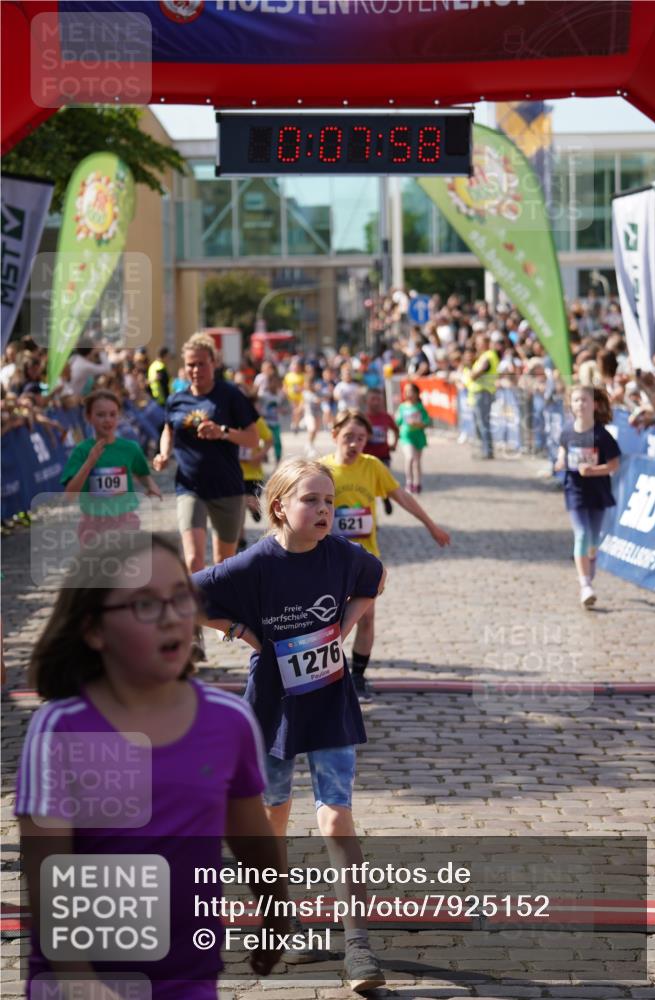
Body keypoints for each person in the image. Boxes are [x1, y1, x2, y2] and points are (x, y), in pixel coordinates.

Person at [16, 532, 289, 1000]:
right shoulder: (61, 729)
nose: (170, 617)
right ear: (94, 630)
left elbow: (250, 837)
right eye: (144, 604)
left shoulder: (228, 720)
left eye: (181, 598)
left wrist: (276, 913)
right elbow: (48, 876)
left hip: (188, 979)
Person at [193, 458, 388, 995]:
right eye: (312, 500)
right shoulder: (254, 563)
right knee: (272, 815)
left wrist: (341, 629)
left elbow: (376, 578)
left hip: (328, 701)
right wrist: (239, 630)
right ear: (279, 507)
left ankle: (358, 944)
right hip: (271, 706)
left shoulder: (343, 554)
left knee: (336, 816)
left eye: (330, 501)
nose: (325, 510)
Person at [322, 410, 450, 698]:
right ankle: (324, 676)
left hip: (365, 558)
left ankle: (357, 677)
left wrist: (430, 525)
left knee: (366, 618)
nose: (354, 444)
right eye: (348, 437)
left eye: (361, 439)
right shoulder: (321, 469)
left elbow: (401, 495)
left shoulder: (372, 466)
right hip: (327, 558)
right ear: (334, 435)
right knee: (327, 620)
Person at [153, 333, 259, 573]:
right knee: (193, 560)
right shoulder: (176, 399)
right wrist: (164, 453)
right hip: (190, 486)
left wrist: (223, 432)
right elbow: (169, 430)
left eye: (202, 363)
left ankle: (218, 599)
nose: (196, 370)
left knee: (223, 564)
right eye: (191, 364)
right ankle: (196, 599)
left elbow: (253, 438)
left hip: (227, 487)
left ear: (214, 363)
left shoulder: (230, 395)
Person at [62, 389, 162, 544]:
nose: (107, 420)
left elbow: (141, 472)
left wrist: (151, 485)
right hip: (93, 525)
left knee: (126, 558)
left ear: (119, 415)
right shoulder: (81, 451)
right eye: (100, 415)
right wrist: (89, 463)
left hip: (125, 521)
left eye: (113, 414)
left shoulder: (130, 448)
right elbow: (70, 494)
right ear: (88, 417)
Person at [554, 386, 621, 608]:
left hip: (598, 491)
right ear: (570, 405)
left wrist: (594, 470)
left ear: (595, 405)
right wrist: (560, 461)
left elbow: (614, 465)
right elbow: (562, 450)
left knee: (593, 540)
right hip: (575, 490)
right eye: (576, 400)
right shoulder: (567, 431)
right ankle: (584, 584)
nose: (580, 404)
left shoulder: (602, 436)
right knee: (581, 534)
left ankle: (589, 573)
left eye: (585, 400)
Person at [238, 413, 274, 550]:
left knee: (250, 502)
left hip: (254, 474)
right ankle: (241, 540)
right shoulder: (227, 421)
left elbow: (269, 440)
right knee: (240, 507)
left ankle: (255, 509)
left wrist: (259, 455)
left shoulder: (256, 421)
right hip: (236, 473)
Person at [363, 387, 399, 514]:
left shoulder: (386, 417)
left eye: (379, 400)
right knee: (369, 484)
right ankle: (370, 508)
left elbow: (396, 430)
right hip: (366, 457)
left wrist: (394, 444)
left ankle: (385, 498)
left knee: (383, 480)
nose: (376, 402)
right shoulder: (363, 418)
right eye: (373, 399)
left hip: (383, 455)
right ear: (366, 401)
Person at [395, 381, 431, 494]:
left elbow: (427, 421)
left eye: (411, 391)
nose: (408, 394)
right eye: (406, 391)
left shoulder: (420, 407)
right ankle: (409, 482)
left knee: (417, 461)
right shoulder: (402, 407)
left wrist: (418, 424)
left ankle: (417, 483)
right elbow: (398, 422)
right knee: (409, 457)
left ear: (416, 393)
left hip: (418, 436)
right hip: (406, 436)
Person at [468, 331, 499, 459]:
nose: (476, 346)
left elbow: (478, 372)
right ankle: (484, 450)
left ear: (485, 344)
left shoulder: (488, 356)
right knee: (479, 424)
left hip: (484, 393)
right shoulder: (485, 356)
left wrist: (472, 374)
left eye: (478, 343)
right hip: (480, 393)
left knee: (483, 424)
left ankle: (487, 451)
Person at [283, 356, 305, 432]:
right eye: (294, 366)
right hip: (291, 397)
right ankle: (295, 424)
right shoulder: (288, 376)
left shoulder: (302, 376)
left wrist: (300, 389)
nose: (295, 367)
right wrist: (286, 393)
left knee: (299, 411)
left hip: (301, 397)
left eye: (297, 366)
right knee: (295, 411)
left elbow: (305, 386)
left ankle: (296, 423)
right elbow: (285, 386)